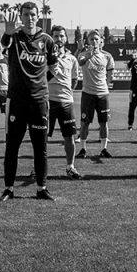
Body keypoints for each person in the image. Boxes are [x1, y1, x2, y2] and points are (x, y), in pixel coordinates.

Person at [0, 2, 59, 201]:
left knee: (40, 148)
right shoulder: (14, 37)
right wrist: (7, 33)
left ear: (38, 16)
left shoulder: (47, 40)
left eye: (33, 14)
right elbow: (2, 46)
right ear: (21, 17)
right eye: (26, 14)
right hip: (16, 101)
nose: (30, 18)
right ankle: (9, 188)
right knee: (12, 147)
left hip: (39, 102)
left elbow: (53, 68)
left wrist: (39, 84)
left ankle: (41, 188)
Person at [46, 25, 82, 179]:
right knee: (42, 137)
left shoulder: (72, 59)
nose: (58, 39)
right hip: (47, 101)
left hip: (66, 102)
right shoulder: (44, 57)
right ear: (51, 38)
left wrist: (66, 92)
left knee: (69, 137)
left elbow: (74, 81)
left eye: (61, 36)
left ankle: (70, 167)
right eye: (55, 36)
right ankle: (38, 167)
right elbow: (41, 78)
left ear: (66, 39)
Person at [77, 30, 115, 159]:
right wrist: (89, 55)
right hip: (88, 94)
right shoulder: (83, 54)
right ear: (88, 41)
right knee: (85, 123)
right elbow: (80, 62)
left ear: (100, 41)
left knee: (104, 123)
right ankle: (83, 149)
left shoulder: (107, 56)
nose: (94, 41)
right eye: (91, 39)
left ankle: (104, 149)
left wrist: (106, 84)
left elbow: (110, 74)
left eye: (96, 39)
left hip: (103, 94)